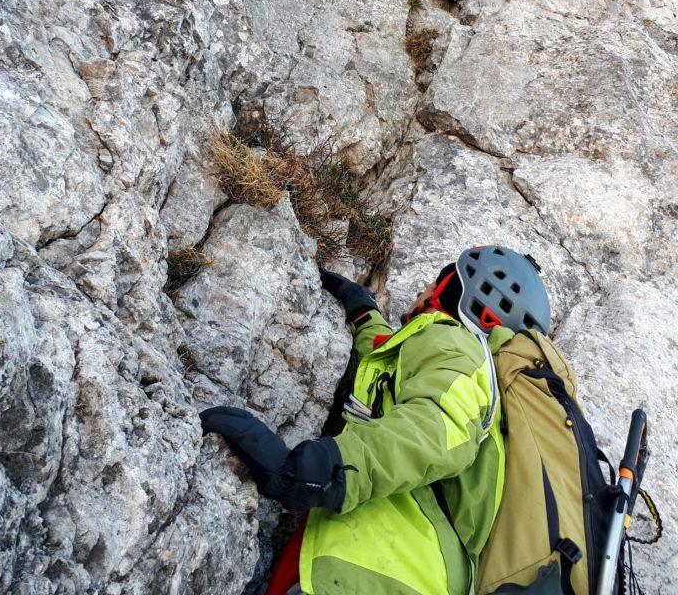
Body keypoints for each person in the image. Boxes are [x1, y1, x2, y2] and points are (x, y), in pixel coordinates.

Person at [200, 245, 552, 595]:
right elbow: (394, 366)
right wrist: (362, 310)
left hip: (378, 572)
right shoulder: (481, 382)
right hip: (391, 569)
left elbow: (436, 431)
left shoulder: (457, 346)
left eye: (433, 283)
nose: (422, 290)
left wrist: (314, 471)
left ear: (452, 293)